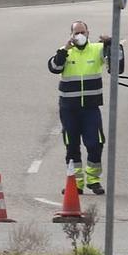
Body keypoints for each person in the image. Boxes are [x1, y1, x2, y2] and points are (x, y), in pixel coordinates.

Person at [47, 20, 114, 194]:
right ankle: (76, 183)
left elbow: (115, 62)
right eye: (76, 33)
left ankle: (93, 179)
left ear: (88, 33)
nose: (80, 36)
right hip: (69, 109)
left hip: (90, 108)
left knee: (95, 143)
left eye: (82, 32)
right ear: (71, 35)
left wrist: (110, 43)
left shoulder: (97, 49)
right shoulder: (65, 52)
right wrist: (64, 50)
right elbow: (54, 67)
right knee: (72, 145)